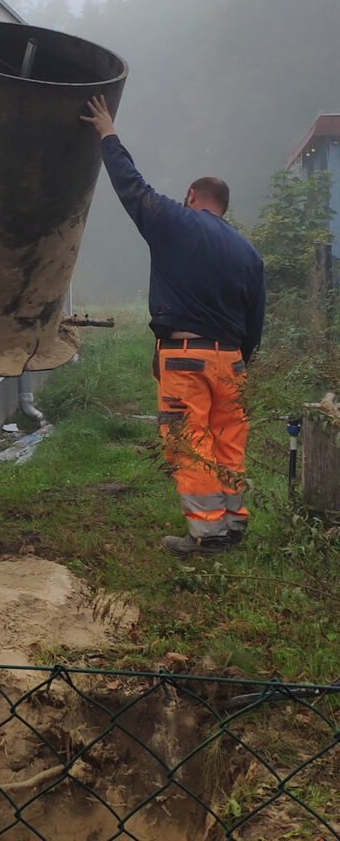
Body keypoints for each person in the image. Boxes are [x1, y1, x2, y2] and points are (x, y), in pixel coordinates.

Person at [81, 95, 266, 556]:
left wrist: (108, 133)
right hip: (234, 362)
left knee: (191, 442)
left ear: (191, 197)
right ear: (224, 206)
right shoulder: (248, 253)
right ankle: (233, 525)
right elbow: (256, 319)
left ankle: (206, 535)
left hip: (186, 358)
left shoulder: (175, 223)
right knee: (228, 441)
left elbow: (132, 187)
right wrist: (245, 362)